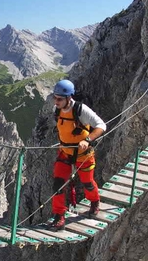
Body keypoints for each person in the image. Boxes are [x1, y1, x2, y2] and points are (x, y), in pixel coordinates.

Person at [48, 79, 106, 231]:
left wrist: (88, 139)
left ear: (69, 98)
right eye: (54, 97)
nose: (56, 101)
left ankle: (94, 202)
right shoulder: (57, 110)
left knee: (87, 182)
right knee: (58, 184)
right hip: (65, 153)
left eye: (59, 98)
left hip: (83, 155)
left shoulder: (81, 110)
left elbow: (101, 125)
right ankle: (59, 216)